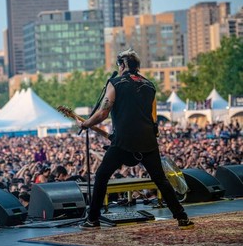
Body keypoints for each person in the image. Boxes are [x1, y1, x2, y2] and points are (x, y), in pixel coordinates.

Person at [76, 48, 194, 230]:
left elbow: (103, 112)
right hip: (148, 140)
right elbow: (152, 117)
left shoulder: (115, 82)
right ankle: (182, 217)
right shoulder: (150, 85)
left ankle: (92, 220)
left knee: (101, 176)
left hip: (123, 141)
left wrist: (86, 124)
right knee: (161, 180)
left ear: (123, 64)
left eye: (119, 64)